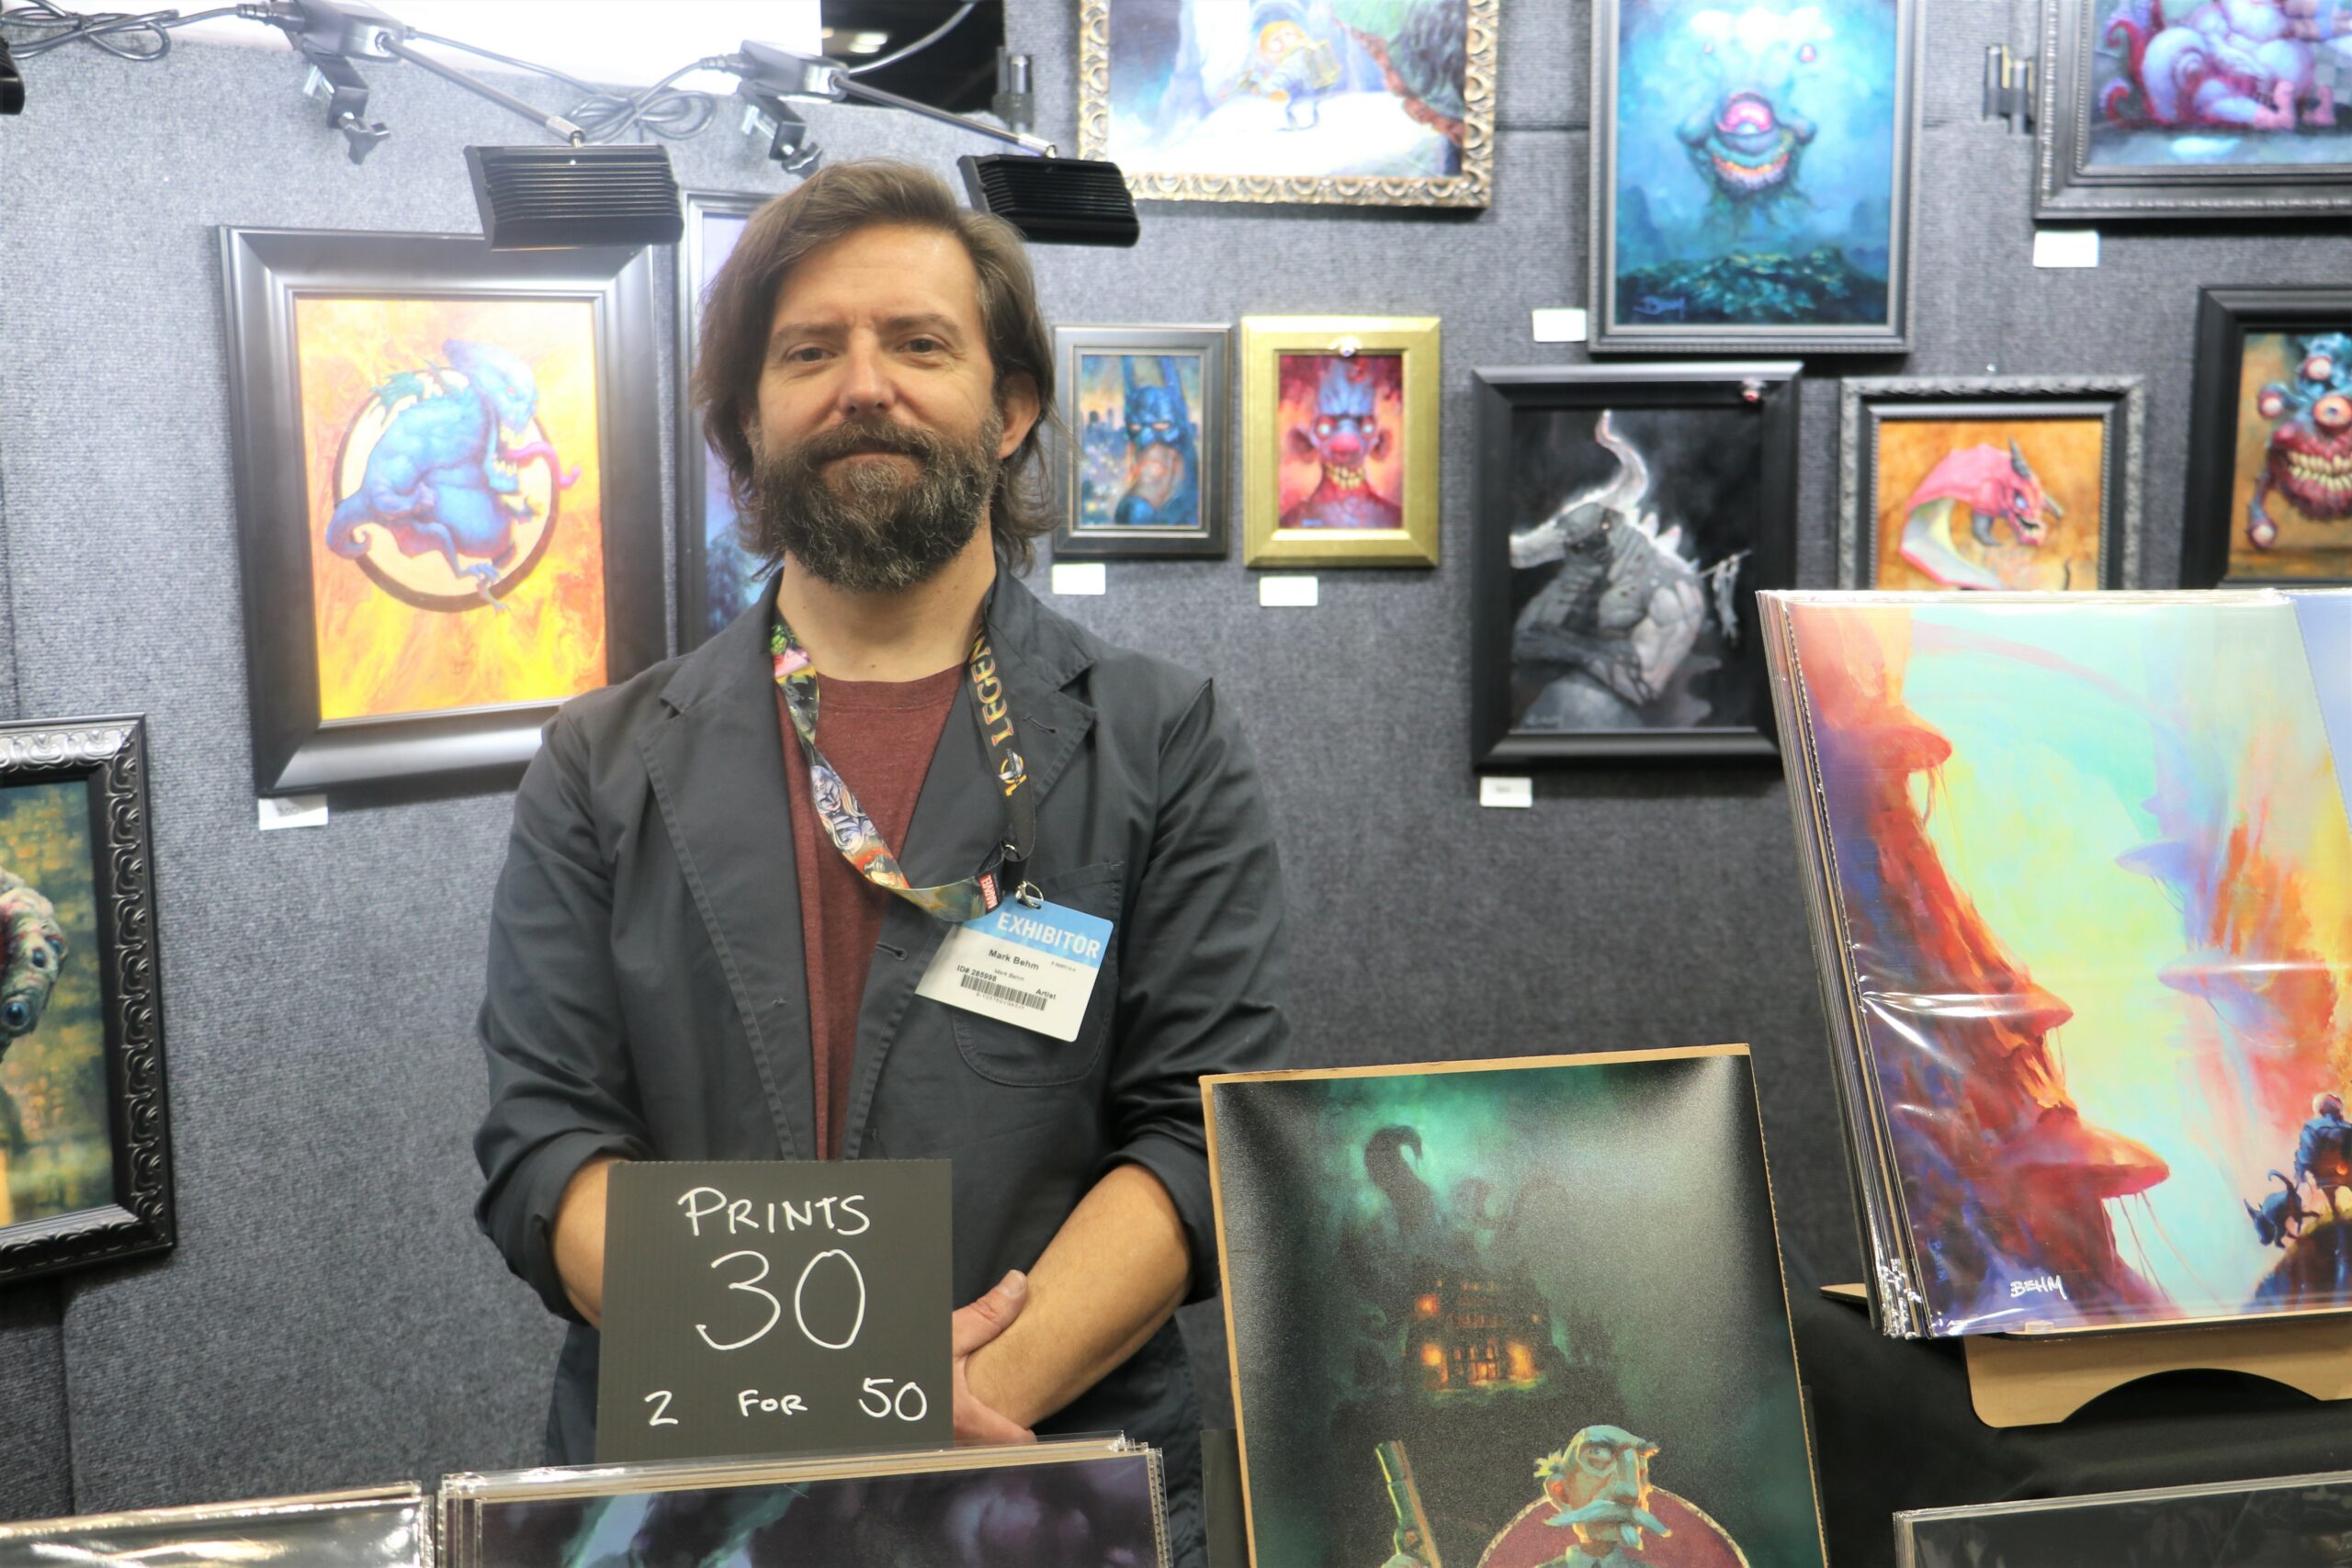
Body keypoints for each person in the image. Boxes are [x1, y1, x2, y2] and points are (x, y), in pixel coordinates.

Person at [472, 160, 1290, 1566]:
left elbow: (1198, 1140)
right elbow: (547, 1148)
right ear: (746, 419)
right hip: (693, 1499)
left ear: (1010, 407)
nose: (865, 386)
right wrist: (834, 1397)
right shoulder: (601, 764)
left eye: (919, 343)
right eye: (809, 352)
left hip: (1034, 1487)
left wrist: (943, 1414)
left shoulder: (1163, 741)